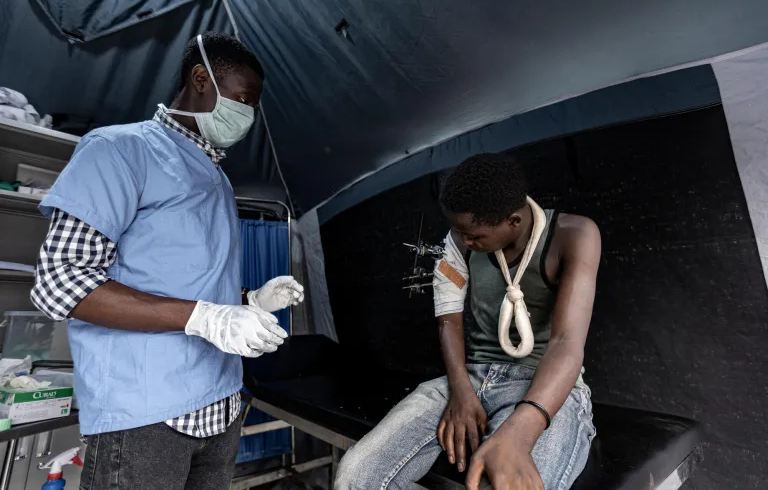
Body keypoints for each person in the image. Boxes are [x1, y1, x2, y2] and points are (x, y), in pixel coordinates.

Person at [30, 32, 303, 490]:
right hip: (146, 418)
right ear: (201, 78)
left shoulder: (214, 173)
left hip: (221, 406)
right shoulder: (119, 151)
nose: (248, 115)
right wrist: (204, 318)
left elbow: (187, 282)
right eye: (242, 99)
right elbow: (61, 280)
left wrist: (248, 300)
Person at [335, 153, 601, 490]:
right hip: (473, 378)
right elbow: (448, 318)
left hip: (545, 387)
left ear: (513, 221)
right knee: (354, 477)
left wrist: (522, 428)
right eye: (459, 233)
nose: (464, 243)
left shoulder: (574, 234)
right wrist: (460, 392)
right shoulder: (458, 239)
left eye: (474, 236)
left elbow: (566, 343)